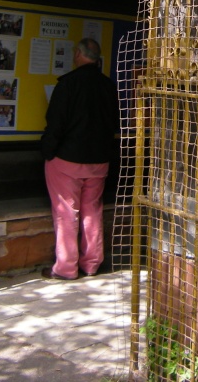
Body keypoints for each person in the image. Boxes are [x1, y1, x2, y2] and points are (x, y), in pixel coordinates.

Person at [40, 37, 119, 280]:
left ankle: (65, 267)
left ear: (77, 54)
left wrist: (48, 151)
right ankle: (92, 263)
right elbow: (114, 123)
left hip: (67, 159)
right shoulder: (108, 86)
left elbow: (56, 123)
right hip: (98, 160)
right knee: (92, 210)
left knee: (66, 211)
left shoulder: (68, 85)